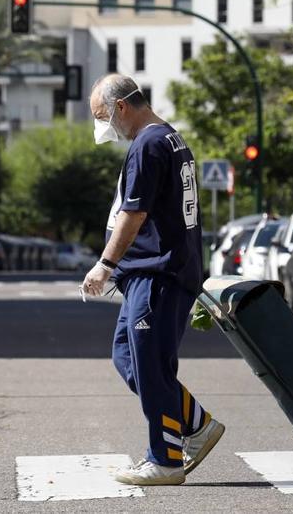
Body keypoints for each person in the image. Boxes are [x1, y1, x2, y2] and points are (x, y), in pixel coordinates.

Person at [80, 73, 225, 486]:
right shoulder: (170, 138)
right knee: (128, 358)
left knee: (151, 367)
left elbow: (134, 213)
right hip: (155, 275)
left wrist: (105, 264)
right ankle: (196, 425)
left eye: (102, 116)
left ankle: (165, 458)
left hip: (159, 275)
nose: (105, 127)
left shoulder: (148, 144)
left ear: (122, 106)